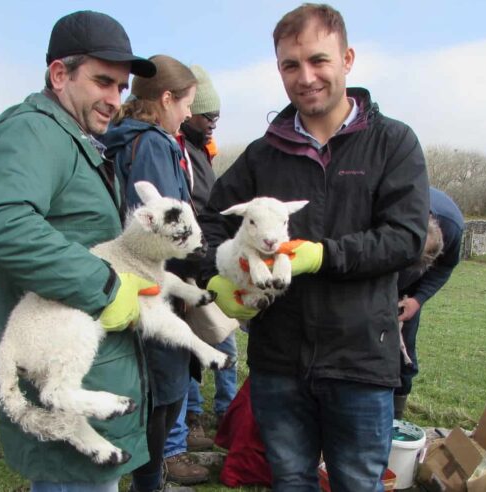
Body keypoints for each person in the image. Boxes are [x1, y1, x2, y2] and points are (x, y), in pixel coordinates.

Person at [199, 4, 429, 491]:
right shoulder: (263, 155)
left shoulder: (394, 143)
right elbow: (208, 221)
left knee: (357, 483)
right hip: (278, 360)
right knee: (289, 479)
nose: (305, 77)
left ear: (347, 59)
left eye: (318, 61)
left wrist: (323, 255)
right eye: (290, 65)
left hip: (361, 360)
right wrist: (215, 276)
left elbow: (406, 238)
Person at [0, 10, 157, 492]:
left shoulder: (72, 138)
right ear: (59, 74)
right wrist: (105, 285)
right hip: (61, 373)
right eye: (102, 82)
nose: (115, 99)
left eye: (121, 87)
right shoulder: (31, 131)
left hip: (88, 367)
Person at [100, 55, 207, 492]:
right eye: (186, 105)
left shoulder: (120, 139)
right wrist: (206, 264)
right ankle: (149, 484)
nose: (188, 115)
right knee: (163, 396)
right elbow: (168, 227)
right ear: (166, 98)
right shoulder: (156, 145)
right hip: (153, 288)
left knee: (151, 391)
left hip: (128, 284)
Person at [162, 65, 238, 485]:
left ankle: (197, 423)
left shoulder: (199, 151)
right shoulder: (168, 148)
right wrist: (201, 265)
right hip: (181, 272)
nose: (210, 124)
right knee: (187, 351)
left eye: (214, 118)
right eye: (204, 115)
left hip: (196, 267)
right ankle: (175, 444)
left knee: (200, 348)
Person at [394, 187, 464, 418]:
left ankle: (395, 415)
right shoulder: (388, 210)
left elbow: (445, 267)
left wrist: (418, 299)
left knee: (402, 350)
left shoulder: (452, 226)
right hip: (372, 279)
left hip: (408, 294)